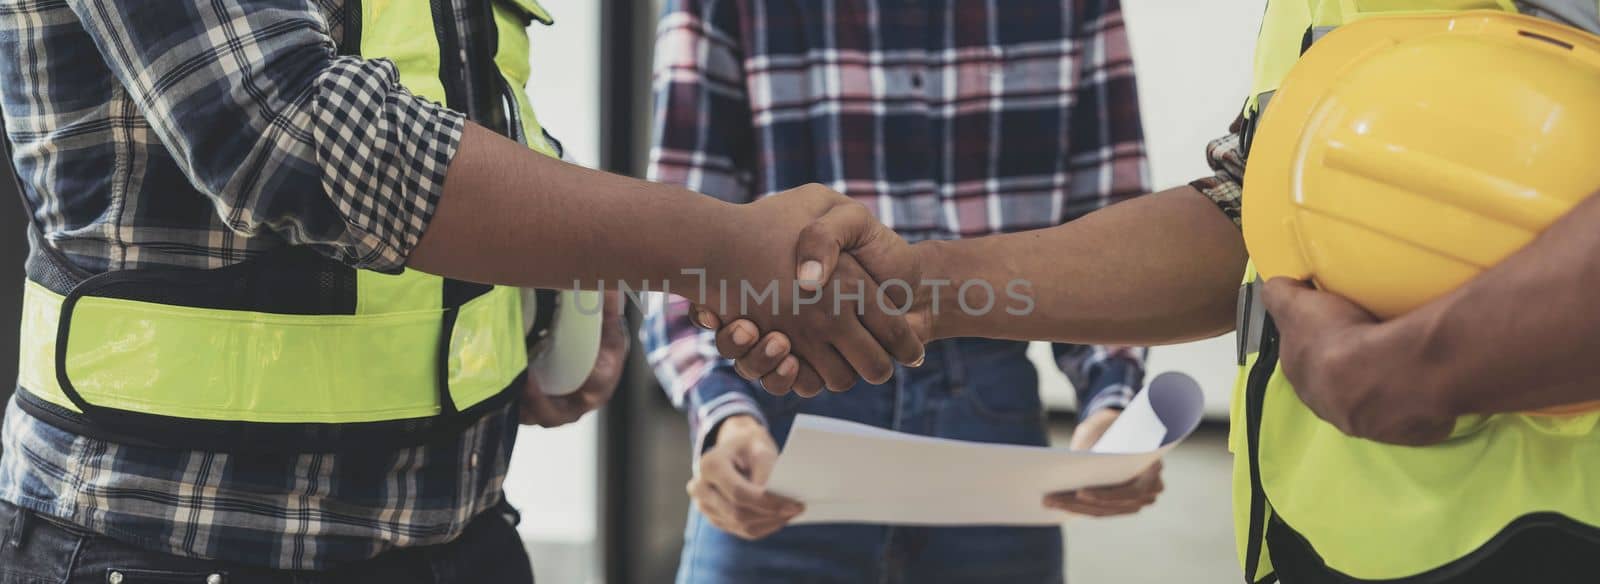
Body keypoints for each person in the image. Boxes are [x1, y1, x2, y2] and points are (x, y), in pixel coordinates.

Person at [0, 0, 917, 580]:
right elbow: (286, 131)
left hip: (459, 528)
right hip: (173, 540)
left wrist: (564, 296)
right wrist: (723, 248)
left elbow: (463, 97)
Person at [704, 1, 1600, 582]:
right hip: (1323, 549)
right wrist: (925, 288)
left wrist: (1419, 370)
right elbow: (1253, 213)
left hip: (1545, 538)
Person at [644, 0, 1160, 582]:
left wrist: (1113, 405)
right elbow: (684, 250)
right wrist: (724, 418)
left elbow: (1112, 226)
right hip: (782, 411)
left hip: (991, 425)